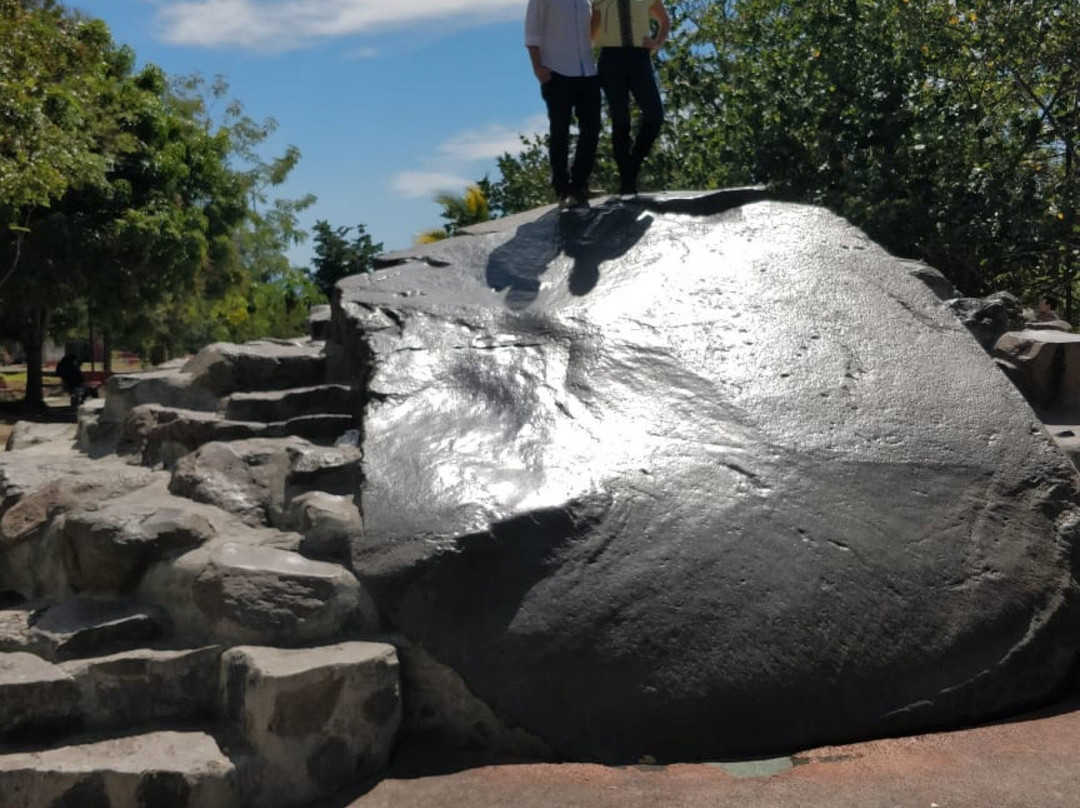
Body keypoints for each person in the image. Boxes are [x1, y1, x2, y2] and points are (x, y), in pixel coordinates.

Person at [525, 0, 602, 208]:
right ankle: (562, 188)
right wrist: (537, 67)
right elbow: (532, 31)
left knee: (593, 127)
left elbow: (591, 35)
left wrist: (597, 12)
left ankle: (579, 185)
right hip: (557, 70)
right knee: (560, 129)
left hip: (587, 69)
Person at [592, 0, 671, 197]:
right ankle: (626, 181)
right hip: (611, 59)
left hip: (639, 57)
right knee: (621, 121)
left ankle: (632, 166)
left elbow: (664, 21)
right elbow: (590, 33)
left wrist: (657, 43)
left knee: (655, 116)